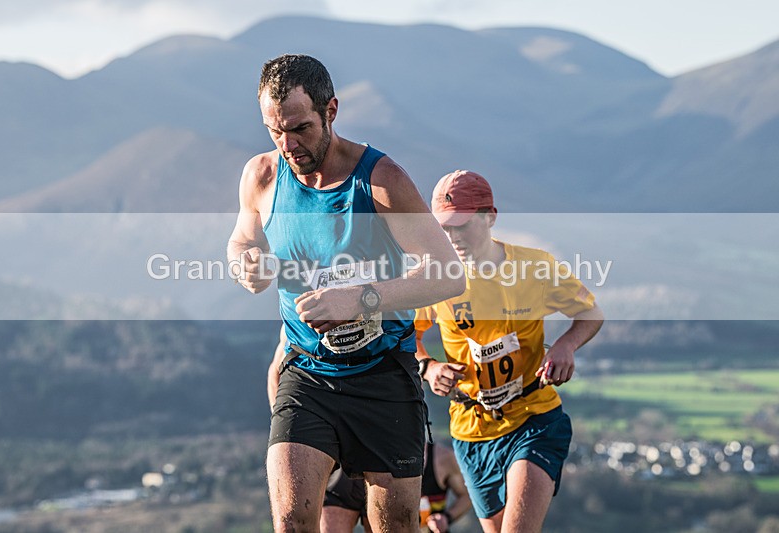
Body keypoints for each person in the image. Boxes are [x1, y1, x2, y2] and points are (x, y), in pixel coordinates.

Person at [230, 54, 464, 533]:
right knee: (293, 522)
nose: (288, 144)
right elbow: (241, 240)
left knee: (395, 526)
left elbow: (448, 274)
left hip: (383, 375)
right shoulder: (262, 177)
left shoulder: (381, 181)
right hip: (307, 372)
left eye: (300, 128)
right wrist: (244, 264)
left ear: (331, 111)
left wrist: (360, 299)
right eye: (274, 130)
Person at [414, 170, 604, 533]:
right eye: (444, 228)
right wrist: (429, 367)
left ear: (490, 217)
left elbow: (590, 313)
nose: (452, 236)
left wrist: (565, 345)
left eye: (462, 225)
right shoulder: (435, 277)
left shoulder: (534, 267)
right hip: (471, 430)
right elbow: (407, 338)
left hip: (533, 417)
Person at [267, 326, 473, 533]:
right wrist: (295, 431)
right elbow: (278, 369)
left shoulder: (392, 310)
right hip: (337, 459)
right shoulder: (300, 318)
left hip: (382, 431)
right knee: (293, 524)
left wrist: (427, 369)